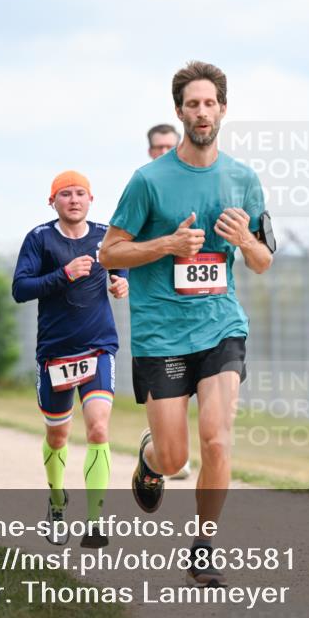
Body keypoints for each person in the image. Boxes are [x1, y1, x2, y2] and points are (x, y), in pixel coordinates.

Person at [100, 61, 275, 588]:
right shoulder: (148, 181)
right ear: (179, 112)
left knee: (218, 439)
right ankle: (151, 461)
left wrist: (245, 240)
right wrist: (168, 246)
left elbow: (264, 260)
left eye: (210, 103)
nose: (202, 112)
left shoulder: (244, 179)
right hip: (160, 333)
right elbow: (110, 253)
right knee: (176, 454)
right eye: (192, 104)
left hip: (221, 324)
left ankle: (203, 544)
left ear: (223, 109)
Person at [12, 171, 129, 549]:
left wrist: (120, 281)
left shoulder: (105, 235)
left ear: (91, 199)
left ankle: (95, 521)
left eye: (80, 193)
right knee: (58, 435)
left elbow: (120, 266)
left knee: (97, 428)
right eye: (65, 194)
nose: (73, 199)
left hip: (98, 347)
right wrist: (63, 274)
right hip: (55, 353)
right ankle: (58, 501)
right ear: (53, 202)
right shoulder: (40, 238)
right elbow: (20, 288)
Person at [145, 122, 192, 481]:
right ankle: (163, 449)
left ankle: (179, 448)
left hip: (199, 308)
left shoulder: (195, 187)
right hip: (159, 312)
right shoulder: (144, 188)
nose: (163, 153)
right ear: (150, 151)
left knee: (208, 385)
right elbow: (117, 247)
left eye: (169, 147)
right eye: (157, 148)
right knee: (170, 390)